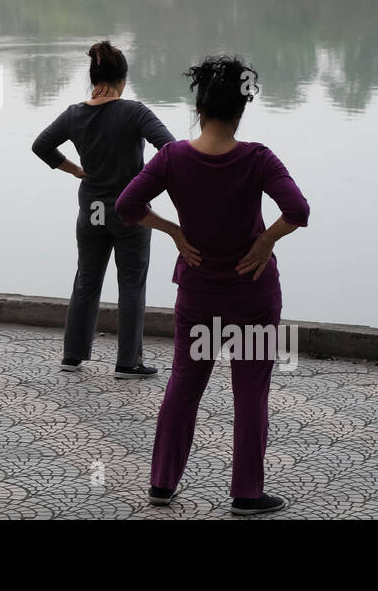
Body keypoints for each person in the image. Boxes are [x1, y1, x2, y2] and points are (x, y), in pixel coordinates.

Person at [116, 56, 308, 515]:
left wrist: (174, 232)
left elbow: (127, 206)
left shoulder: (172, 158)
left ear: (198, 108)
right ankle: (246, 493)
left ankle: (162, 483)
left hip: (198, 294)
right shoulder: (258, 158)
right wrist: (265, 241)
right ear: (240, 112)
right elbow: (298, 211)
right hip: (253, 295)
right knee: (250, 391)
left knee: (184, 384)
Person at [31, 40, 174, 377]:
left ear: (92, 78)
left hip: (91, 209)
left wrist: (74, 169)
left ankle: (72, 355)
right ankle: (128, 361)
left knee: (86, 280)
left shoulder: (73, 114)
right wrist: (146, 180)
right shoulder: (135, 112)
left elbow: (41, 145)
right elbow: (170, 148)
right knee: (132, 285)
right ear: (122, 80)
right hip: (129, 210)